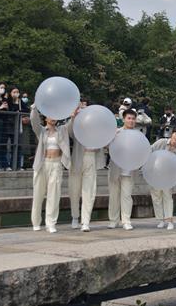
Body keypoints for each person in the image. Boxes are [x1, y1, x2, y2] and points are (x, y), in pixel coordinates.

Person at [30, 104, 71, 233]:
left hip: (56, 163)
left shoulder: (62, 130)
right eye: (50, 115)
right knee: (38, 194)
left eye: (55, 115)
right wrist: (34, 109)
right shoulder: (42, 131)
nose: (53, 118)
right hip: (42, 164)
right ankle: (36, 222)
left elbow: (70, 125)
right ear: (46, 117)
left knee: (54, 194)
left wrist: (74, 115)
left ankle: (51, 223)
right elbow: (34, 122)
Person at [68, 102, 106, 232]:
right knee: (74, 190)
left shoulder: (97, 128)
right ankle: (75, 217)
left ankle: (85, 221)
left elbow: (106, 137)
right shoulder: (77, 125)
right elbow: (69, 132)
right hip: (77, 159)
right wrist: (73, 117)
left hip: (91, 158)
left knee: (89, 191)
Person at [150, 126, 176, 230]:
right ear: (172, 134)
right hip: (155, 174)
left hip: (168, 176)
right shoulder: (162, 142)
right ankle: (160, 219)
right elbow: (150, 149)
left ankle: (169, 220)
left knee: (168, 197)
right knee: (156, 197)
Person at [108, 109, 139, 230]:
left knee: (126, 196)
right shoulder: (116, 133)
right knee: (114, 196)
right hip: (116, 168)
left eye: (133, 119)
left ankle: (126, 220)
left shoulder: (138, 136)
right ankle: (113, 220)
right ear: (124, 119)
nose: (131, 121)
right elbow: (107, 146)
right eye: (129, 118)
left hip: (129, 170)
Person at [8, 86, 29, 169]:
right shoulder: (8, 101)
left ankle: (18, 165)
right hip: (9, 125)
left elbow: (26, 110)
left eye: (17, 92)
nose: (16, 94)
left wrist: (20, 111)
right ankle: (10, 165)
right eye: (14, 92)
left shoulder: (20, 101)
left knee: (18, 146)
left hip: (18, 126)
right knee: (10, 146)